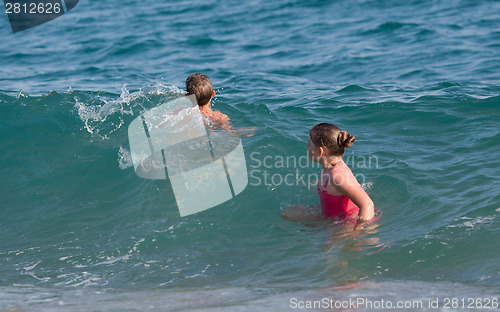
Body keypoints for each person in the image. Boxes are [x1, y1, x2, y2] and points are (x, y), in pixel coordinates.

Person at [308, 123, 374, 221]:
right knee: (289, 213)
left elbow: (367, 204)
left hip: (347, 222)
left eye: (309, 144)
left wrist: (359, 230)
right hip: (331, 216)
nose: (307, 148)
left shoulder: (338, 176)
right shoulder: (327, 166)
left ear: (320, 151)